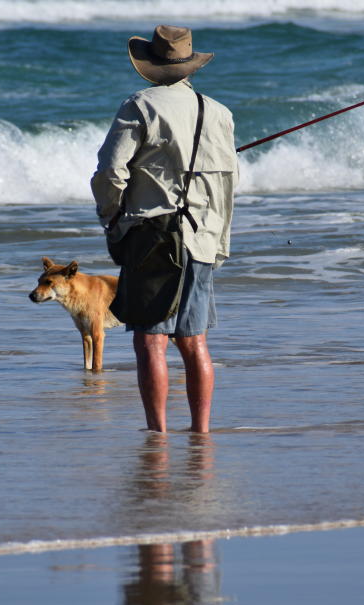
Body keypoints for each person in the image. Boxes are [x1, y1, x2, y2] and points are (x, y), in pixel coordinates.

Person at [91, 25, 238, 434]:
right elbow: (229, 185)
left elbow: (110, 172)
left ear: (151, 65)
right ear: (189, 65)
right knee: (195, 341)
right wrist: (219, 242)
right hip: (204, 238)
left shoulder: (139, 106)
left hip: (153, 238)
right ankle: (201, 431)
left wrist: (112, 218)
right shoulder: (219, 112)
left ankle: (157, 433)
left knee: (151, 340)